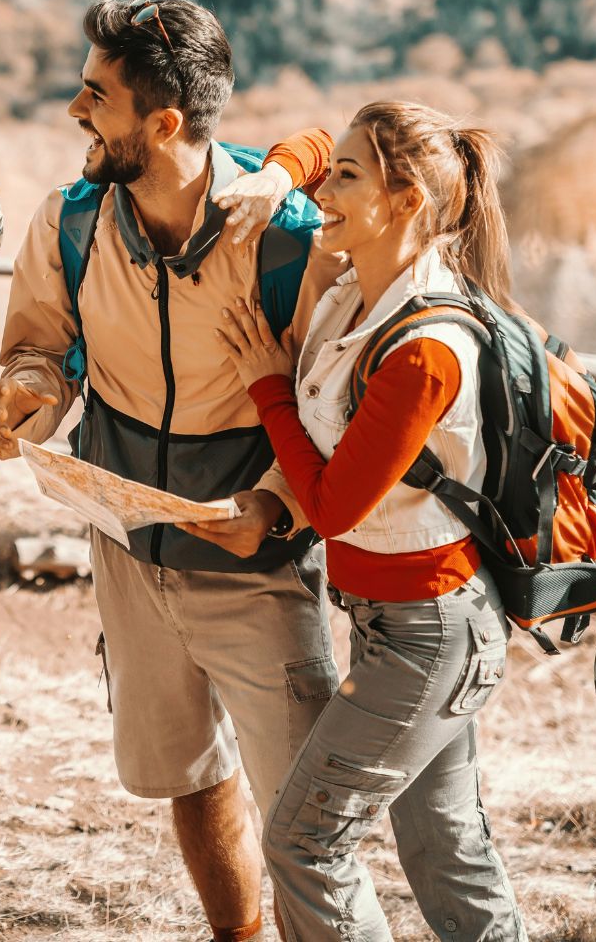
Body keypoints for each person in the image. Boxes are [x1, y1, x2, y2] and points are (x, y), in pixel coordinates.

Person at [0, 0, 338, 942]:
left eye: (94, 96)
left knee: (306, 813)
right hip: (130, 553)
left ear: (163, 122)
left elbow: (335, 413)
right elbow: (41, 348)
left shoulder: (288, 238)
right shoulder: (68, 221)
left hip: (263, 564)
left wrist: (272, 506)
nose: (73, 111)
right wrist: (26, 393)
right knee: (188, 770)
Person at [201, 101, 527, 941]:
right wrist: (284, 171)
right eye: (333, 171)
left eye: (349, 177)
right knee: (444, 850)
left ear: (405, 200)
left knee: (305, 844)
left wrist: (269, 385)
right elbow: (308, 146)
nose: (326, 190)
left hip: (430, 635)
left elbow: (339, 508)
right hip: (402, 627)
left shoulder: (425, 347)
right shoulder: (356, 292)